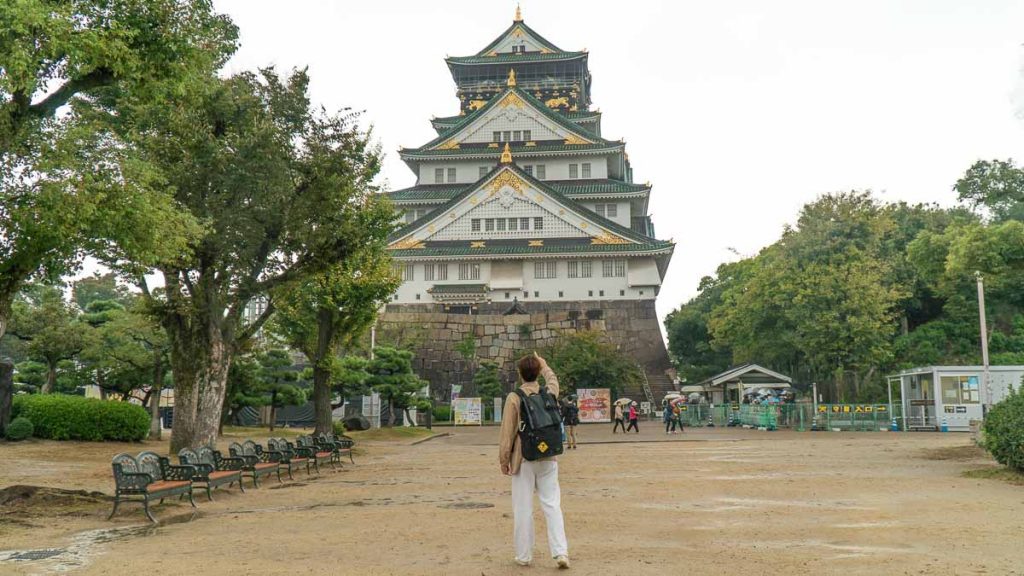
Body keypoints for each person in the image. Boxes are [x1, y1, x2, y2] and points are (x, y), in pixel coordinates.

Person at [499, 353, 570, 570]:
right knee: (552, 505)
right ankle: (560, 552)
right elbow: (553, 380)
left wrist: (504, 459)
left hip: (524, 458)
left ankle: (524, 555)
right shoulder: (549, 393)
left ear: (520, 374)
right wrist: (545, 365)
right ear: (538, 372)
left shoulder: (515, 397)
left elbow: (507, 433)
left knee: (523, 508)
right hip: (549, 456)